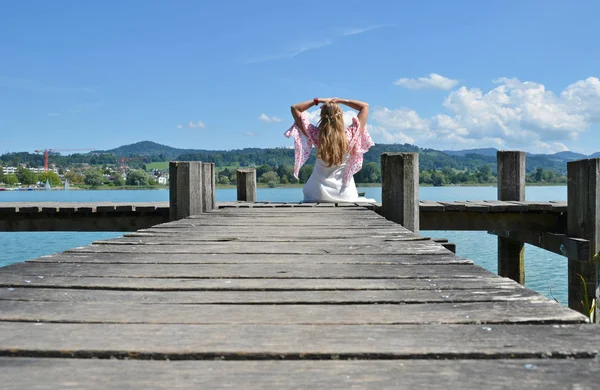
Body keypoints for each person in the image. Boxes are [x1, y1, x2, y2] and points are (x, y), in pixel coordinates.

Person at [285, 97, 376, 203]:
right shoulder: (351, 134)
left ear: (322, 117)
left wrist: (318, 100)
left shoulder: (316, 135)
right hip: (344, 194)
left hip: (316, 193)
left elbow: (295, 108)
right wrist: (341, 100)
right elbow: (364, 106)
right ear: (340, 116)